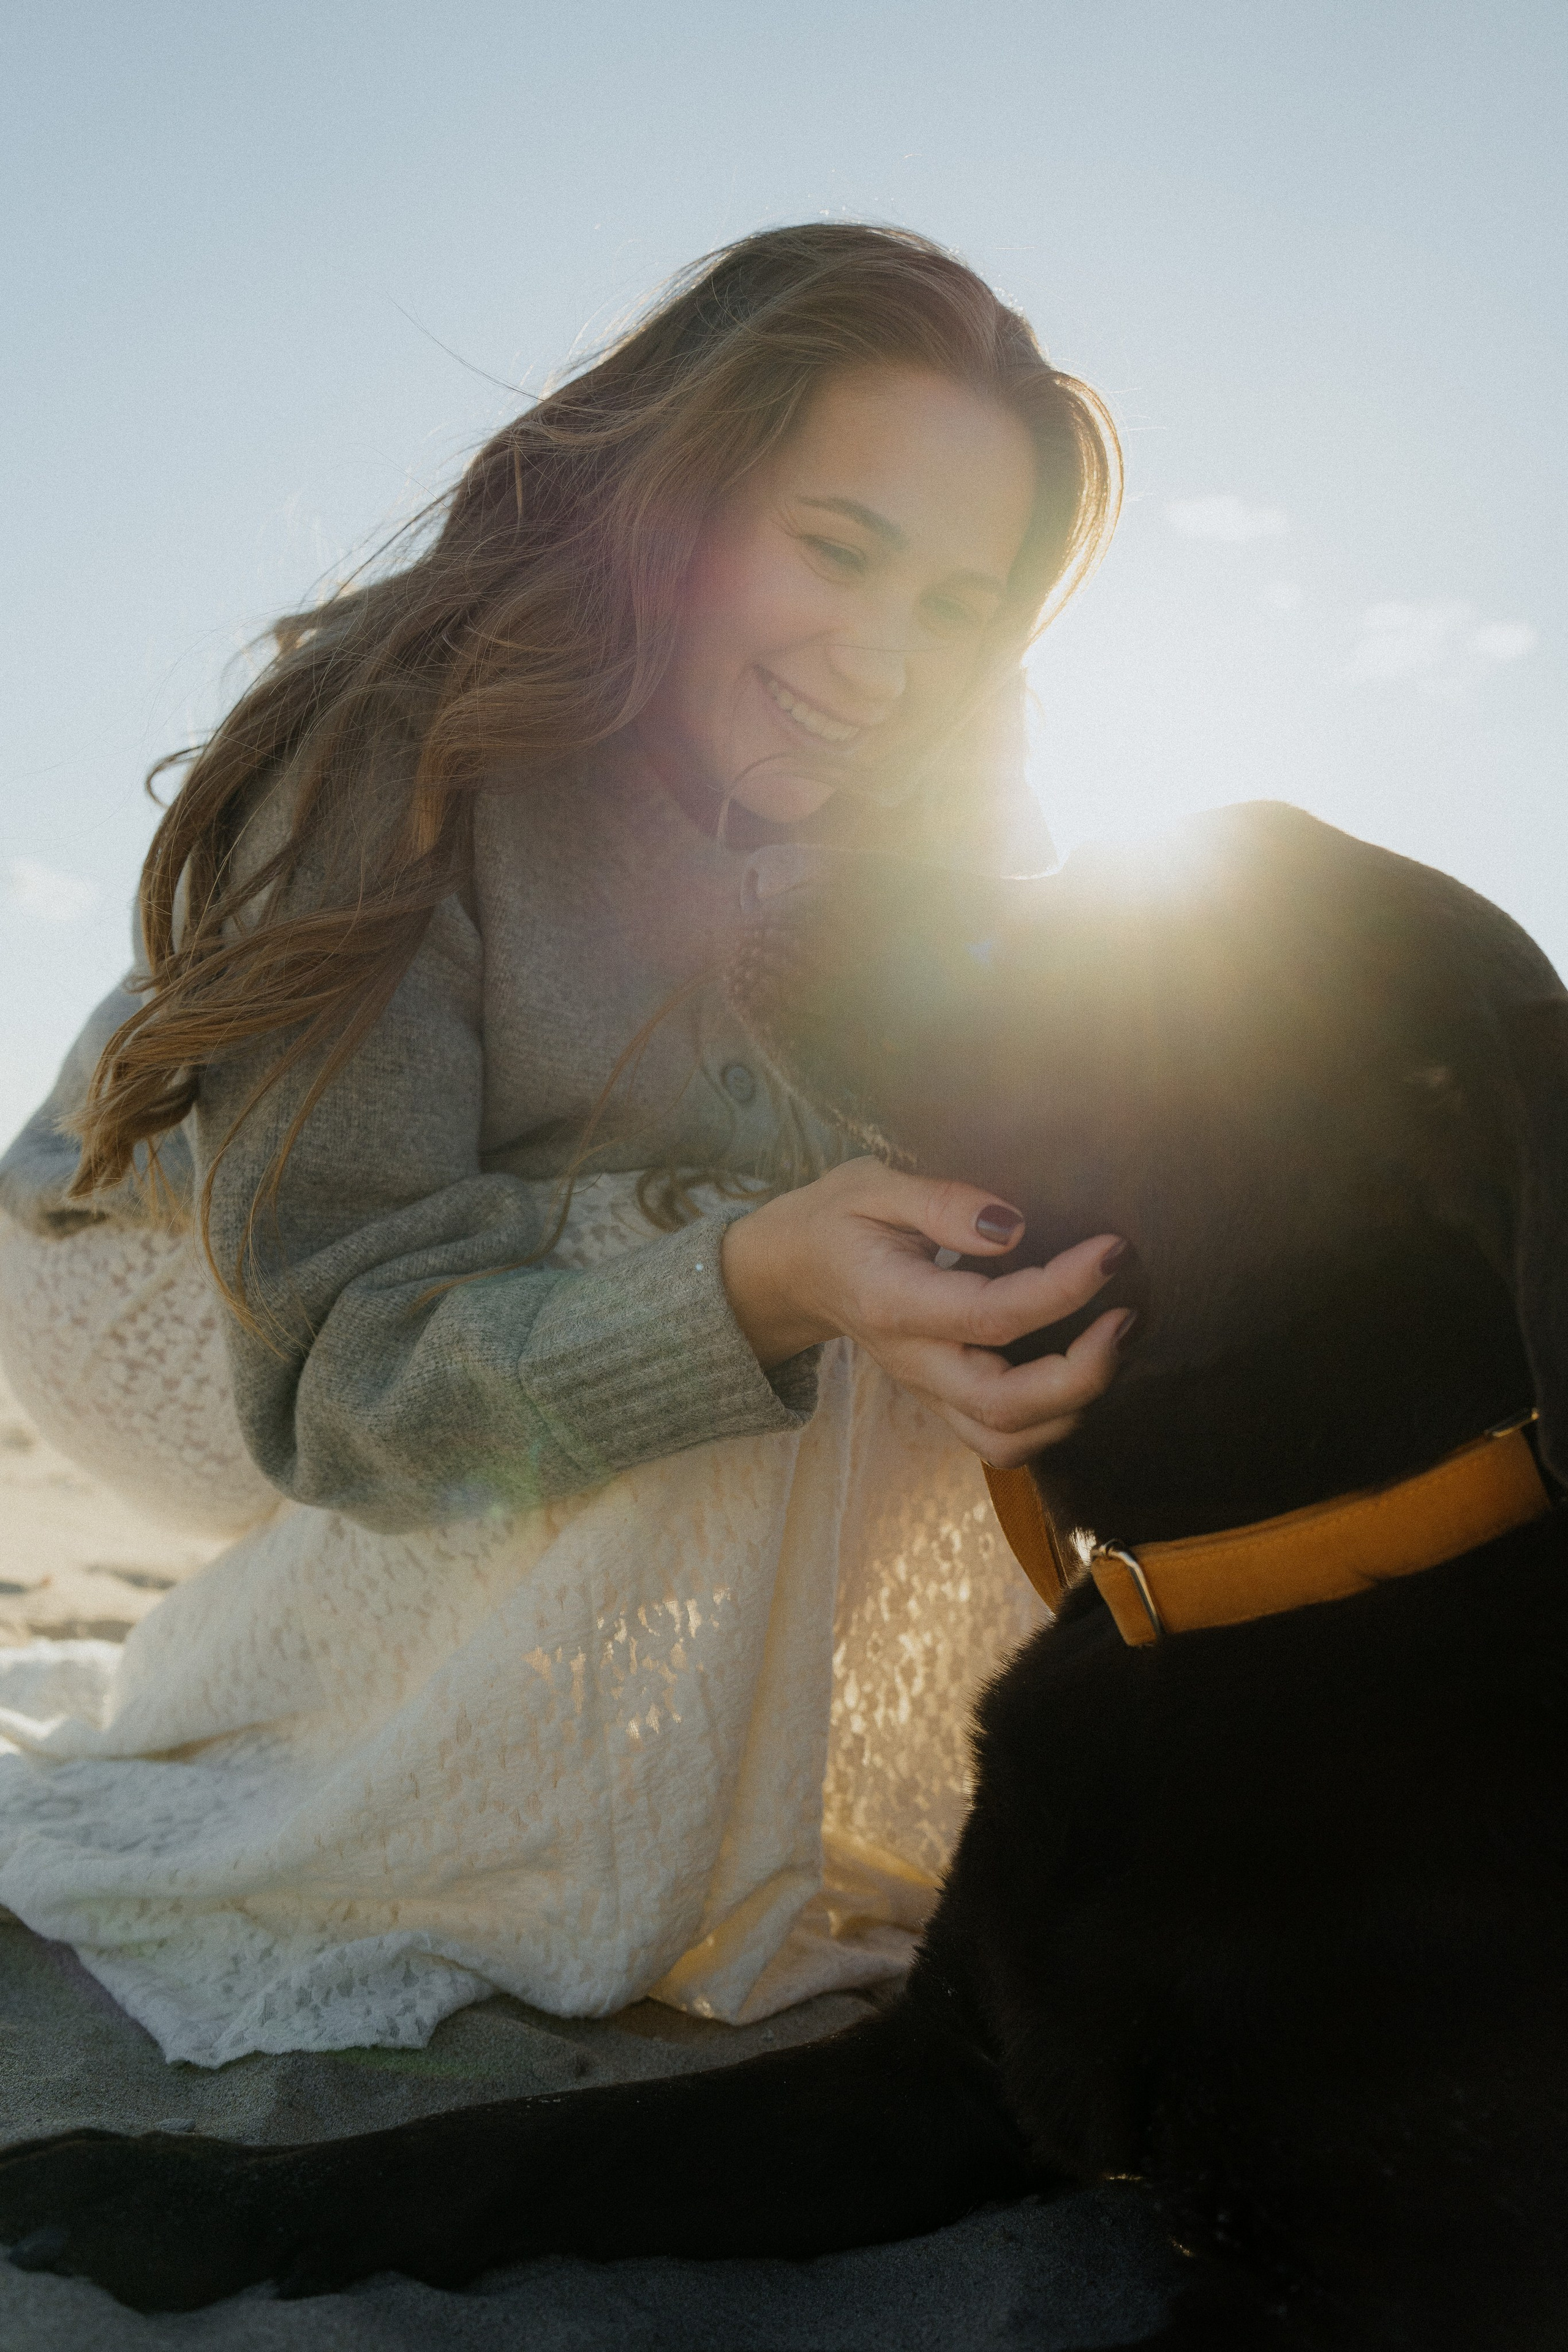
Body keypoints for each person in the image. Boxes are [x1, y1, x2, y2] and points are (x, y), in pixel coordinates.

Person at [0, 223, 1128, 2067]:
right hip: (167, 1291)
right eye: (835, 550)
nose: (883, 659)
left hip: (523, 1242)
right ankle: (301, 1731)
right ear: (669, 512)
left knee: (884, 1262)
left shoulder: (916, 787)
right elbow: (339, 1370)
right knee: (759, 1265)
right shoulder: (404, 744)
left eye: (955, 606)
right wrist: (749, 1281)